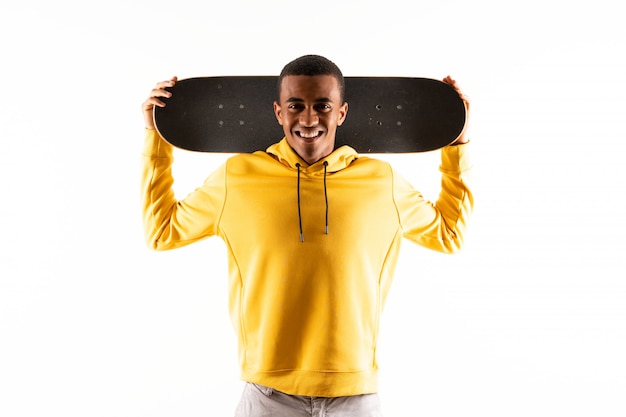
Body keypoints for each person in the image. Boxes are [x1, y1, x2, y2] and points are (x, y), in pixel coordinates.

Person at [140, 54, 473, 416]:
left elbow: (449, 233)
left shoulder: (382, 182)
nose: (309, 119)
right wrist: (157, 141)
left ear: (342, 113)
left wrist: (458, 143)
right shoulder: (236, 178)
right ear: (278, 112)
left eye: (323, 106)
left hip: (355, 397)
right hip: (268, 395)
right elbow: (162, 231)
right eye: (295, 105)